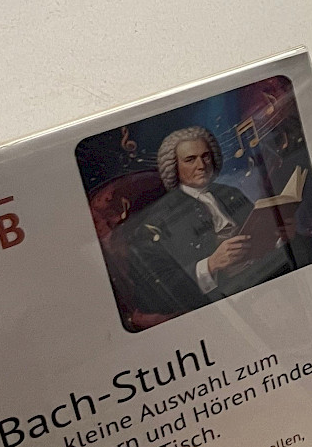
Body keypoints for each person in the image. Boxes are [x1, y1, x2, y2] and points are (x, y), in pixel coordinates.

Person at [123, 126, 289, 315]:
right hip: (221, 306)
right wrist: (211, 264)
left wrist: (278, 237)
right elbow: (157, 291)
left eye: (206, 156)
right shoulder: (159, 219)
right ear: (173, 167)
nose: (201, 165)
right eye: (190, 160)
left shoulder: (230, 193)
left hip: (267, 279)